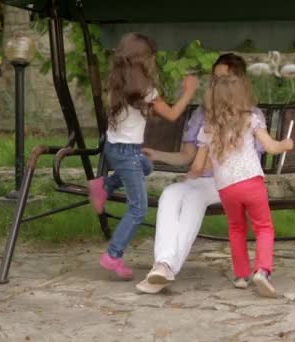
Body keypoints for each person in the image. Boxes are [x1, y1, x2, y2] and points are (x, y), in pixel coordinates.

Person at [136, 53, 263, 293]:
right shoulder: (201, 114)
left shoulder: (250, 116)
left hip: (228, 183)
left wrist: (208, 166)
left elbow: (249, 161)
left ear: (239, 81)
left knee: (193, 199)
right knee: (171, 193)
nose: (217, 85)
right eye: (214, 79)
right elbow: (187, 157)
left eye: (224, 79)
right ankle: (162, 267)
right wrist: (157, 154)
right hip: (197, 179)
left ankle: (165, 267)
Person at [88, 32, 199, 280]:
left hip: (114, 148)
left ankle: (103, 185)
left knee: (146, 166)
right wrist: (189, 92)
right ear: (143, 60)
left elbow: (133, 115)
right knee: (139, 208)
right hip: (127, 153)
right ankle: (113, 255)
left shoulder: (116, 84)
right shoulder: (146, 90)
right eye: (151, 57)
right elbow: (171, 115)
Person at [189, 74, 293, 297]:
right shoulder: (251, 119)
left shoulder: (208, 128)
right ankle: (262, 271)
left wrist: (190, 177)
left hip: (226, 188)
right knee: (263, 227)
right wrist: (286, 144)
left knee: (236, 228)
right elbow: (272, 147)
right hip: (251, 182)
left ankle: (240, 276)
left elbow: (198, 165)